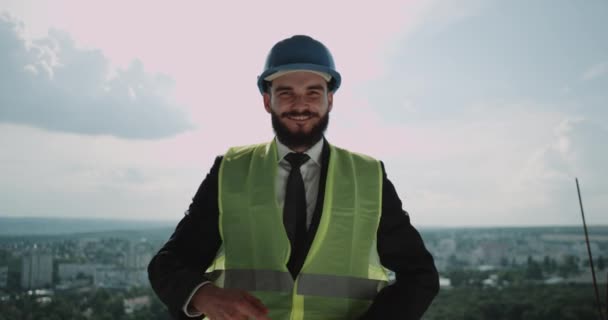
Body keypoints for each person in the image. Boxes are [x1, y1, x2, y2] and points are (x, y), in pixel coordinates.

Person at [148, 35, 439, 320]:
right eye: (286, 93)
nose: (300, 105)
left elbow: (419, 275)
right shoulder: (231, 170)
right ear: (267, 100)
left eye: (313, 92)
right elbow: (169, 263)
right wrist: (202, 295)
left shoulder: (368, 176)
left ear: (330, 100)